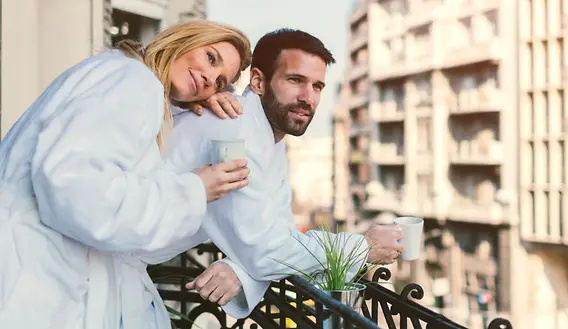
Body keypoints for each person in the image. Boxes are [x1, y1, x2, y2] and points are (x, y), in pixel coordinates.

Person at [0, 20, 252, 329]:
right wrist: (194, 191)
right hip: (43, 289)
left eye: (218, 81)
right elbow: (77, 188)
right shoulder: (135, 82)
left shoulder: (120, 73)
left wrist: (188, 105)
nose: (209, 77)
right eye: (211, 58)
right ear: (185, 39)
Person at [163, 28, 405, 318]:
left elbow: (279, 234)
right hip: (115, 259)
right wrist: (363, 247)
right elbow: (266, 251)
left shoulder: (268, 136)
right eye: (295, 80)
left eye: (317, 86)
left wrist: (240, 269)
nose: (308, 98)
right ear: (258, 81)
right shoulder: (235, 133)